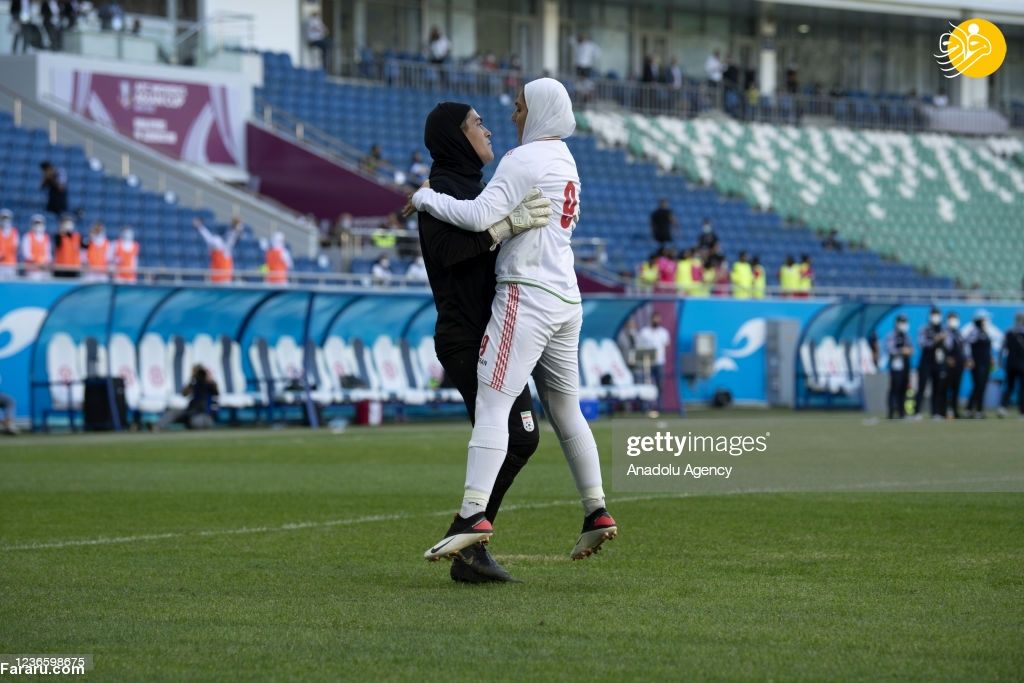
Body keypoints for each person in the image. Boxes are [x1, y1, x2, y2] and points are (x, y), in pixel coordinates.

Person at [411, 78, 617, 563]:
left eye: (520, 107)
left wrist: (423, 198)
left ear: (540, 110)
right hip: (566, 295)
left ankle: (472, 514)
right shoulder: (566, 160)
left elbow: (478, 215)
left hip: (528, 292)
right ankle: (596, 509)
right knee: (566, 409)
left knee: (493, 401)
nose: (512, 117)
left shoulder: (522, 158)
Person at [414, 102, 549, 582]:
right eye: (477, 123)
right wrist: (503, 227)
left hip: (497, 333)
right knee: (519, 436)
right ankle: (469, 541)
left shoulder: (478, 189)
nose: (488, 130)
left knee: (524, 436)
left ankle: (469, 543)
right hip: (466, 336)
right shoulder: (440, 192)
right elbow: (448, 253)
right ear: (455, 135)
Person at [155, 364, 218, 431]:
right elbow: (184, 394)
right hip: (191, 412)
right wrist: (192, 379)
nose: (199, 375)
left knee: (196, 422)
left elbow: (216, 391)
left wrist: (208, 378)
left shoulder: (209, 384)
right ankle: (157, 427)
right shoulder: (194, 383)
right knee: (173, 412)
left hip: (204, 415)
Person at [636, 313, 671, 415]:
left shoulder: (663, 332)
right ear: (651, 319)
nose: (656, 321)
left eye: (658, 319)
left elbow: (667, 345)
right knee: (646, 384)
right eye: (654, 319)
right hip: (647, 363)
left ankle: (659, 406)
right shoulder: (644, 332)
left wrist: (662, 355)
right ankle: (646, 406)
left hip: (659, 362)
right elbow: (639, 346)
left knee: (660, 385)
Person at [914, 307, 944, 418]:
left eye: (937, 314)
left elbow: (949, 344)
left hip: (938, 361)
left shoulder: (942, 329)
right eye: (934, 315)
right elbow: (922, 343)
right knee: (922, 386)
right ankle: (917, 412)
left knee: (937, 387)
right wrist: (935, 340)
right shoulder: (924, 329)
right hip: (926, 361)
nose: (936, 317)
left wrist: (943, 339)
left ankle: (935, 412)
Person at [194, 217, 241, 283]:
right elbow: (209, 238)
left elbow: (231, 237)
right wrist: (200, 227)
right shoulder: (217, 242)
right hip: (216, 280)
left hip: (226, 279)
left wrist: (235, 227)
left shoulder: (226, 248)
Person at [964, 311, 993, 418]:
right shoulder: (974, 332)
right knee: (978, 385)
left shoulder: (985, 332)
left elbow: (988, 348)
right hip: (977, 363)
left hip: (985, 363)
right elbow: (967, 345)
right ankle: (970, 409)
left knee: (983, 386)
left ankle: (979, 410)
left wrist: (991, 358)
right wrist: (969, 359)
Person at [885, 315, 913, 419]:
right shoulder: (892, 335)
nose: (904, 325)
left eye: (905, 322)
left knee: (904, 387)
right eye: (902, 322)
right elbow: (890, 349)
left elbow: (911, 348)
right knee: (895, 387)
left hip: (905, 364)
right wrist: (901, 351)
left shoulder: (907, 336)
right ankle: (891, 412)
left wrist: (909, 351)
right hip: (896, 364)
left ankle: (902, 412)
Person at [999, 312, 1024, 418]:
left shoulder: (1009, 331)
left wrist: (1001, 362)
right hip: (1021, 364)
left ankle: (1003, 407)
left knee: (1009, 386)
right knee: (1021, 389)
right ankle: (1021, 411)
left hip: (1011, 364)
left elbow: (1002, 349)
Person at [942, 311, 966, 419]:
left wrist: (966, 359)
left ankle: (955, 410)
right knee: (945, 388)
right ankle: (944, 410)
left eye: (955, 319)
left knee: (956, 388)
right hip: (948, 364)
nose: (953, 321)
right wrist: (947, 357)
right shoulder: (944, 333)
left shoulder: (958, 333)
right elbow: (943, 348)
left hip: (959, 364)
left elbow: (963, 347)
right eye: (951, 319)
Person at [21, 214, 52, 280]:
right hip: (32, 270)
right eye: (36, 223)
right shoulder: (27, 236)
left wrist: (45, 262)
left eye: (40, 223)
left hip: (44, 270)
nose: (38, 226)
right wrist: (39, 261)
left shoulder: (46, 237)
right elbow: (26, 254)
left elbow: (48, 254)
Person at [0, 209, 19, 279]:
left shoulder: (14, 232)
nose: (5, 220)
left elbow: (16, 248)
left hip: (11, 264)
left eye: (7, 218)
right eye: (3, 218)